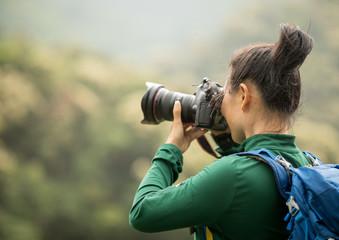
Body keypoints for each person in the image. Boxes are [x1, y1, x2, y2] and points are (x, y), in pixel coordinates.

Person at [129, 23, 314, 240]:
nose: (220, 103)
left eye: (225, 92)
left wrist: (171, 149)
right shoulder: (308, 165)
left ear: (243, 96)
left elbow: (142, 212)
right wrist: (227, 143)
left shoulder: (232, 175)